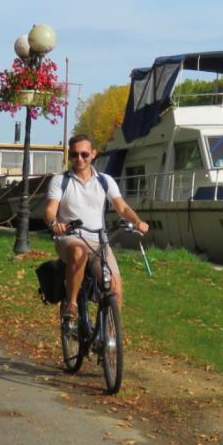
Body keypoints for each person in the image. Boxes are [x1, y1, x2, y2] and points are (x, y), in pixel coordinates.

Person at [44, 134, 149, 319]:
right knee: (79, 252)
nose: (79, 159)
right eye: (75, 154)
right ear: (70, 155)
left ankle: (110, 336)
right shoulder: (60, 181)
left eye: (84, 154)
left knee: (114, 286)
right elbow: (50, 209)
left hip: (99, 242)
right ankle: (72, 304)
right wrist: (55, 224)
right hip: (70, 238)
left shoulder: (105, 180)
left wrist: (138, 222)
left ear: (93, 154)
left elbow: (122, 207)